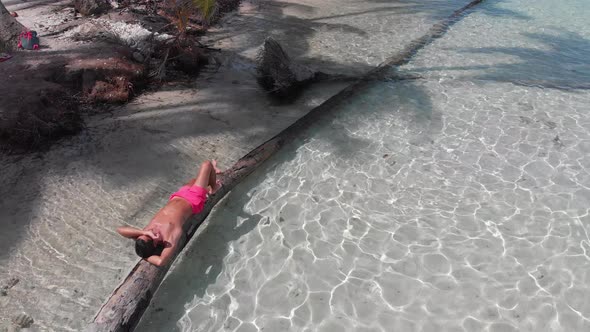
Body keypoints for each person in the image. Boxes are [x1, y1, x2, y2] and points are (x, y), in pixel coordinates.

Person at [117, 160, 222, 266]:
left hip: (179, 196)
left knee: (194, 180)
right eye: (149, 235)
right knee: (206, 165)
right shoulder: (169, 237)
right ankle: (214, 188)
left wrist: (144, 233)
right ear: (154, 243)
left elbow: (120, 230)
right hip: (194, 200)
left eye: (145, 233)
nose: (149, 231)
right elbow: (161, 261)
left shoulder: (145, 234)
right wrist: (146, 257)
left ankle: (213, 173)